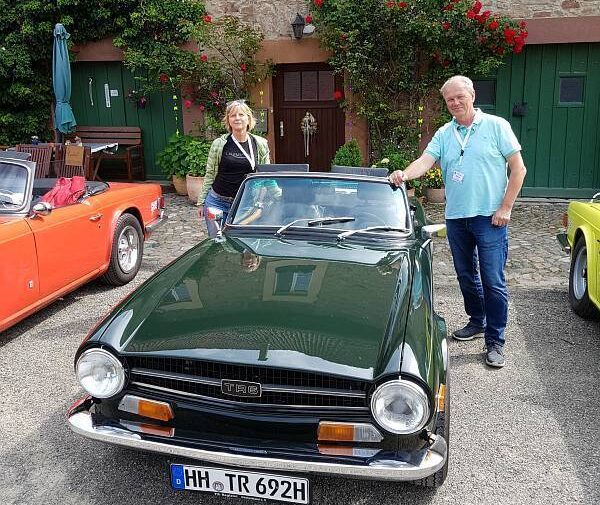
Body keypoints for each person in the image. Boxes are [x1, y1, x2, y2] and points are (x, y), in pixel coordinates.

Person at [389, 75, 527, 368]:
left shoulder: (496, 126)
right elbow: (426, 161)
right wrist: (404, 174)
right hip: (456, 217)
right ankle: (477, 321)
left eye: (459, 97)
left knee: (492, 280)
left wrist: (505, 208)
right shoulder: (444, 133)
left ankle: (495, 340)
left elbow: (519, 169)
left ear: (472, 95)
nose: (454, 103)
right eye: (449, 99)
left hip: (490, 218)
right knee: (465, 275)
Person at [197, 100, 271, 237]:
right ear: (228, 120)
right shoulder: (219, 144)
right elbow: (210, 174)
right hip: (217, 202)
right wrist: (201, 202)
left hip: (245, 203)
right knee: (217, 242)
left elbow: (266, 174)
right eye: (233, 115)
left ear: (248, 118)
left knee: (240, 242)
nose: (237, 118)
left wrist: (278, 194)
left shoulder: (260, 144)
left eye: (241, 114)